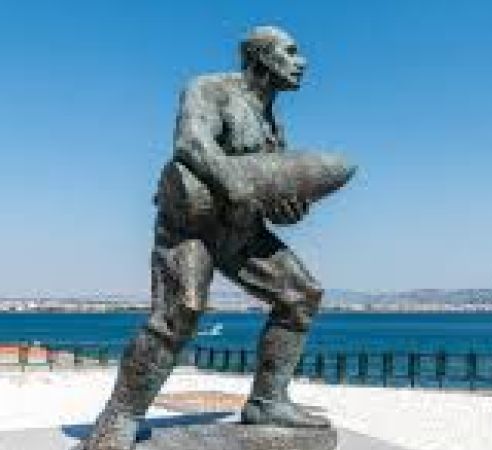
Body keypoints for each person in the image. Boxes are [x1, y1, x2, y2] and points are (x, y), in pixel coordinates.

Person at [81, 26, 343, 450]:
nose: (302, 62)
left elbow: (269, 192)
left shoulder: (273, 124)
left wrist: (288, 210)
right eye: (291, 52)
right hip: (191, 226)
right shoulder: (209, 89)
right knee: (180, 311)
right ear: (261, 56)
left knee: (300, 295)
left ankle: (268, 401)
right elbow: (190, 143)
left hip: (241, 232)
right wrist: (233, 183)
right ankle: (120, 415)